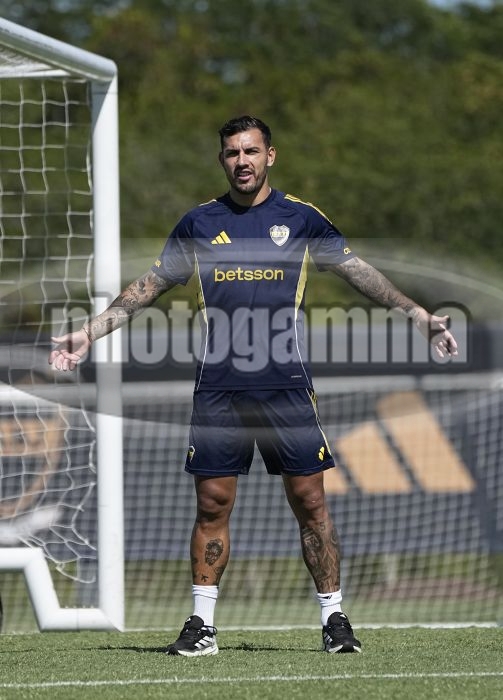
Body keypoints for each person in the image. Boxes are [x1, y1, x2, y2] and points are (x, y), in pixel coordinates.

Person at [49, 115, 457, 656]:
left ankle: (334, 620)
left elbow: (358, 271)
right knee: (212, 504)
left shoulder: (301, 218)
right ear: (222, 160)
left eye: (250, 151)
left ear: (270, 156)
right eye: (232, 153)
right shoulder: (199, 222)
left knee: (310, 500)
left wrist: (417, 315)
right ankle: (202, 626)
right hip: (218, 390)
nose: (241, 161)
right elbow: (148, 286)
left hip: (287, 385)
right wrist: (89, 332)